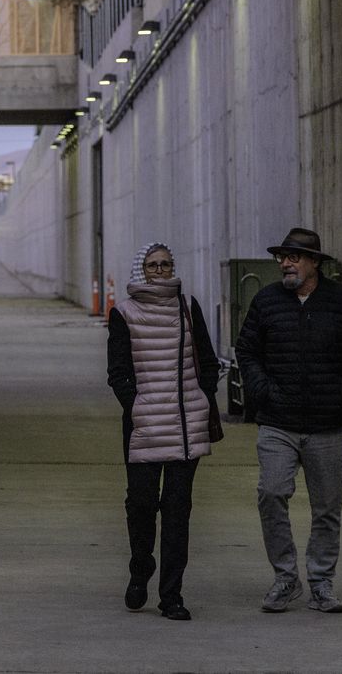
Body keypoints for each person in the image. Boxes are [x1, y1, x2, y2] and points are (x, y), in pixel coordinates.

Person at [235, 227, 342, 614]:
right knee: (271, 494)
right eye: (282, 257)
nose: (285, 263)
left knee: (327, 508)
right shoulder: (267, 301)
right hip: (277, 422)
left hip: (327, 425)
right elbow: (246, 350)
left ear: (314, 262)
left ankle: (321, 583)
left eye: (294, 257)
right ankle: (285, 579)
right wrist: (263, 391)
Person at [106, 242, 220, 621]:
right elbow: (117, 372)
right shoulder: (124, 313)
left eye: (165, 264)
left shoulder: (188, 306)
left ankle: (171, 596)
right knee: (141, 505)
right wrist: (136, 406)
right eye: (153, 265)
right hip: (144, 426)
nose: (160, 271)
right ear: (142, 270)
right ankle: (141, 568)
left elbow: (207, 360)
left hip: (186, 428)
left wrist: (202, 398)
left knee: (177, 512)